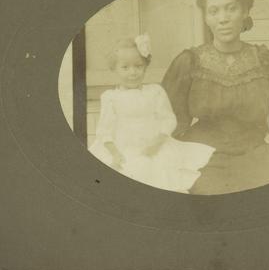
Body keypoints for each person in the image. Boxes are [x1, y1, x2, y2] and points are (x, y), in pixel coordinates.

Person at [162, 0, 269, 195]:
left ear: (245, 11)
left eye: (231, 9)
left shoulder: (267, 61)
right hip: (202, 152)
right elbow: (169, 119)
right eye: (214, 11)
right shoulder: (189, 62)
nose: (223, 19)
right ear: (206, 18)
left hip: (255, 151)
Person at [88, 34, 214, 193]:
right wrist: (115, 153)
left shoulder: (155, 92)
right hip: (123, 147)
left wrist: (156, 144)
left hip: (155, 145)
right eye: (125, 67)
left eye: (138, 66)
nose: (133, 72)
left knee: (160, 176)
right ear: (114, 69)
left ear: (145, 66)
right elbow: (104, 131)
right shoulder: (110, 97)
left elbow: (168, 120)